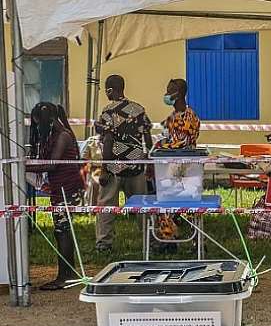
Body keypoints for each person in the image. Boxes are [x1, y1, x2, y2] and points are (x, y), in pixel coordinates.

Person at [26, 102, 85, 290]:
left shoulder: (63, 136)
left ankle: (65, 276)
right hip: (61, 188)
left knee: (62, 231)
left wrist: (24, 167)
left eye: (37, 124)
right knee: (62, 231)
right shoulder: (58, 134)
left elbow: (52, 164)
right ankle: (68, 272)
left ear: (47, 121)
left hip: (66, 189)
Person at [94, 74, 152, 252]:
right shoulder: (139, 109)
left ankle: (104, 243)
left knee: (107, 205)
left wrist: (104, 169)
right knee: (142, 206)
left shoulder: (108, 112)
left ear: (110, 90)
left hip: (115, 166)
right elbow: (148, 140)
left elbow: (108, 141)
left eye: (106, 89)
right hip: (136, 165)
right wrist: (146, 160)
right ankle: (150, 239)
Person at [154, 79, 201, 247]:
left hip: (186, 167)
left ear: (179, 93)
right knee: (167, 203)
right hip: (171, 165)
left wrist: (161, 146)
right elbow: (166, 138)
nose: (166, 94)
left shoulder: (189, 117)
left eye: (169, 91)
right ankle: (169, 239)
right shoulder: (172, 117)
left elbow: (181, 144)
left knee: (187, 207)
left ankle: (185, 241)